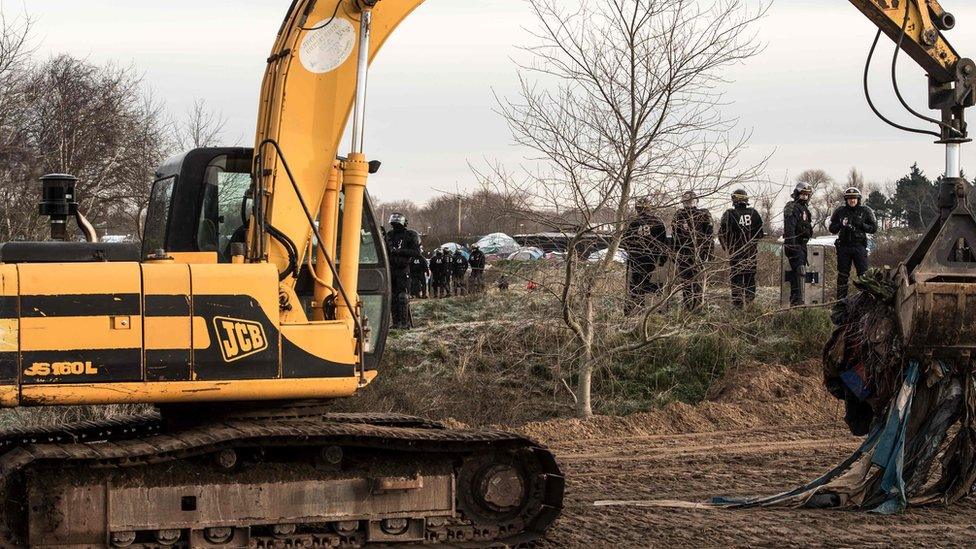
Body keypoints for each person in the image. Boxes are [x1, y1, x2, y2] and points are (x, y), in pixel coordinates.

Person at [621, 196, 670, 314]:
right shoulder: (657, 221)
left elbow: (625, 241)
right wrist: (662, 260)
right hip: (652, 260)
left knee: (636, 285)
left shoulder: (633, 222)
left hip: (637, 259)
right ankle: (653, 312)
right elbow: (664, 243)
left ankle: (637, 310)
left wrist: (631, 254)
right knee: (653, 286)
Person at [719, 189, 765, 308]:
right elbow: (760, 234)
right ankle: (749, 303)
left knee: (736, 278)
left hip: (736, 252)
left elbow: (722, 234)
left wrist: (728, 248)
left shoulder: (729, 214)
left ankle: (738, 305)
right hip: (751, 252)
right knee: (750, 277)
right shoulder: (753, 213)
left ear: (734, 200)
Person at [829, 187, 878, 301]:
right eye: (850, 198)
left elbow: (874, 228)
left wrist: (862, 225)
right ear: (846, 199)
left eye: (854, 198)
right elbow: (832, 228)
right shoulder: (840, 211)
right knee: (842, 275)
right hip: (844, 247)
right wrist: (841, 224)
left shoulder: (865, 211)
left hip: (859, 247)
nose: (852, 200)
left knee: (863, 275)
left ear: (858, 199)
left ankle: (866, 300)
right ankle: (841, 301)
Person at [672, 191, 714, 312]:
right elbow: (675, 236)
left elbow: (709, 235)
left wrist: (709, 252)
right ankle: (691, 307)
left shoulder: (701, 214)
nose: (688, 203)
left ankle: (694, 307)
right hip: (689, 252)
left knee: (693, 281)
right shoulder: (680, 215)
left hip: (694, 252)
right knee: (690, 281)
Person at [384, 213, 423, 329]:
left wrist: (400, 251)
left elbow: (416, 252)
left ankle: (404, 322)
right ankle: (396, 322)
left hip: (403, 268)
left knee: (402, 296)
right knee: (393, 296)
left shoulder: (409, 235)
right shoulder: (389, 235)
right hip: (391, 268)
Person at [783, 182, 814, 306]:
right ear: (797, 194)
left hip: (802, 244)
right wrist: (792, 245)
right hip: (794, 244)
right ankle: (798, 300)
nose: (805, 197)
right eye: (802, 195)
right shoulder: (792, 207)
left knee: (799, 271)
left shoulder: (805, 209)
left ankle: (796, 299)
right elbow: (789, 228)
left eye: (807, 195)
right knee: (799, 270)